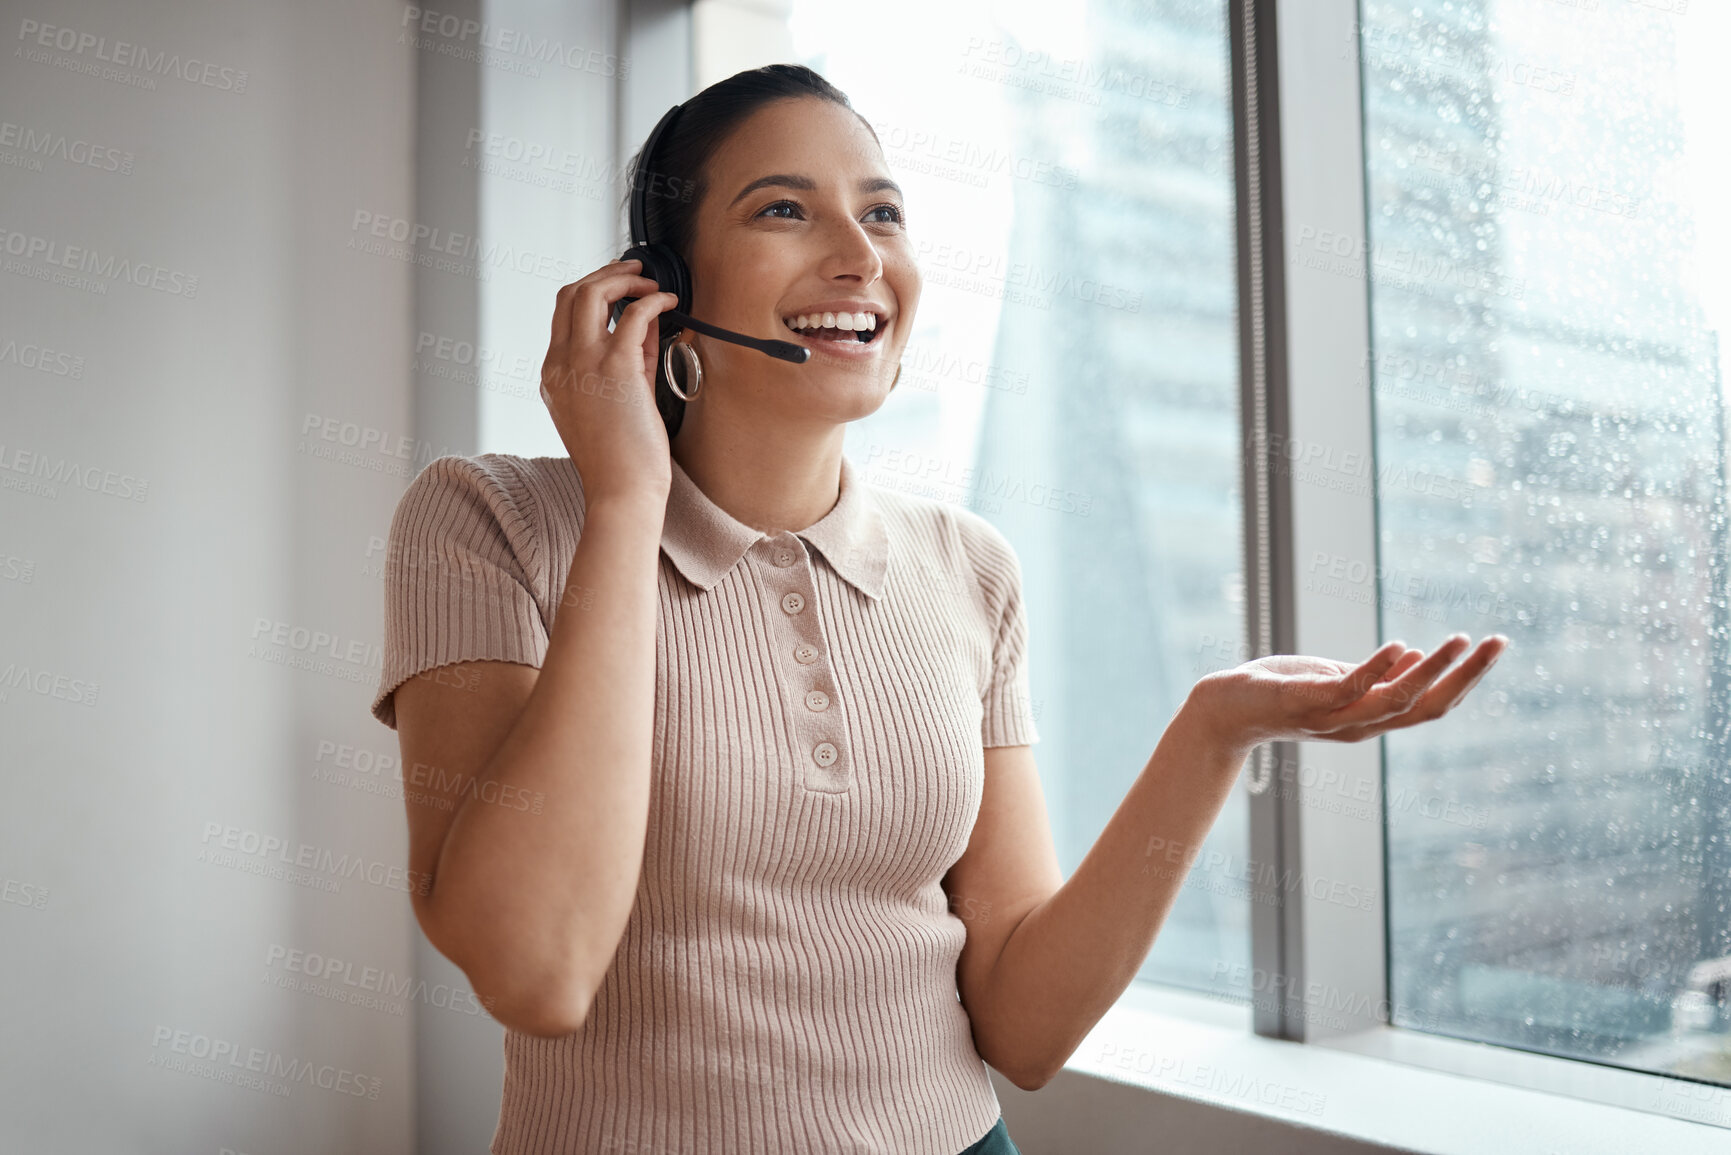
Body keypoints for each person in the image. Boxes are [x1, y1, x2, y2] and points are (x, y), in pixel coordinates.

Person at [370, 63, 1505, 1155]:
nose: (860, 255)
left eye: (884, 214)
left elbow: (1024, 1024)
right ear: (662, 286)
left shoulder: (968, 569)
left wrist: (1212, 732)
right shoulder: (487, 521)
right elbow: (536, 970)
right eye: (785, 210)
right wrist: (626, 504)